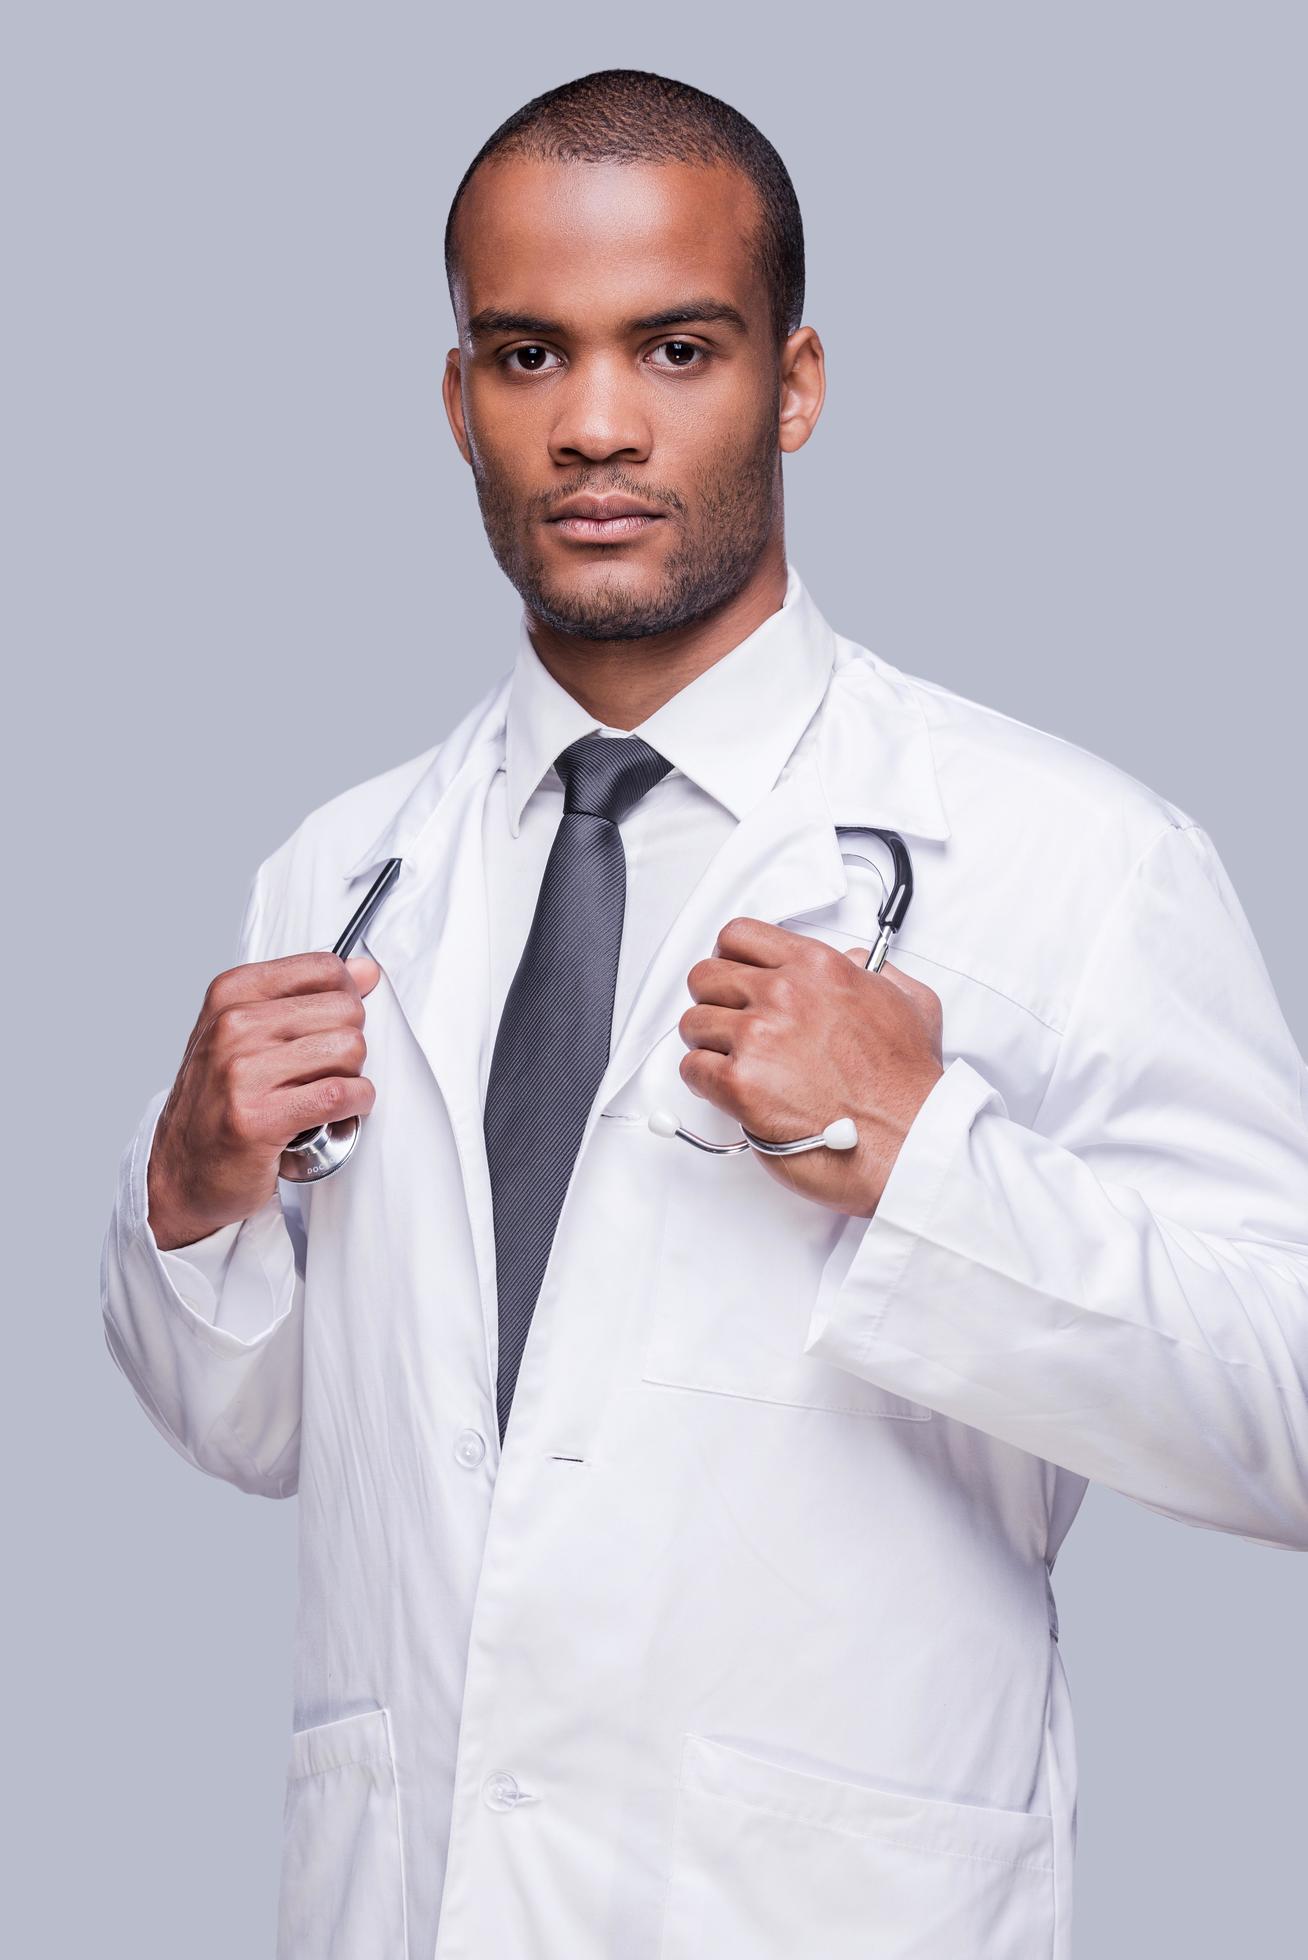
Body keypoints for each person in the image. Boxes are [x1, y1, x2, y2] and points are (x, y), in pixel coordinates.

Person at [100, 67, 1308, 1960]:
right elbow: (264, 1433)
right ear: (458, 403)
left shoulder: (1074, 857)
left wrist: (934, 1170)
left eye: (675, 348)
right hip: (404, 1909)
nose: (595, 425)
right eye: (527, 355)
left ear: (795, 384)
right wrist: (185, 1199)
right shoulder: (340, 873)